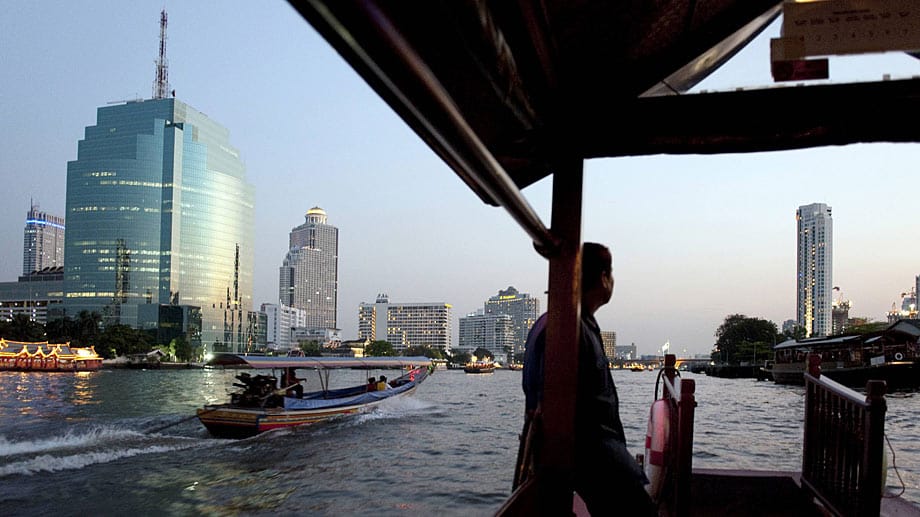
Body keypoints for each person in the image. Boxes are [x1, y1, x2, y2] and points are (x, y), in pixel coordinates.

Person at [522, 242, 657, 515]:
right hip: (590, 454)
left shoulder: (570, 321)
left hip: (589, 453)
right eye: (612, 274)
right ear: (604, 278)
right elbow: (557, 406)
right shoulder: (567, 326)